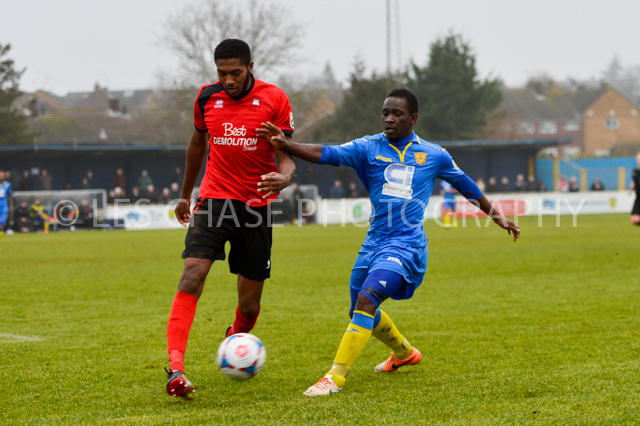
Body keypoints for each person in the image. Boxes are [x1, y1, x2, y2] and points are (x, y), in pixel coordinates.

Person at [257, 88, 520, 396]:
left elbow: (467, 186)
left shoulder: (433, 154)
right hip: (374, 243)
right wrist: (286, 144)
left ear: (413, 118)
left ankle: (334, 378)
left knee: (367, 300)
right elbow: (326, 153)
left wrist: (496, 216)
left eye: (397, 114)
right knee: (358, 309)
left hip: (406, 246)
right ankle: (404, 353)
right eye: (385, 113)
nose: (389, 119)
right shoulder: (367, 147)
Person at [165, 38, 296, 397]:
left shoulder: (274, 99)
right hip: (214, 201)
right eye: (222, 73)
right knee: (193, 274)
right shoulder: (206, 97)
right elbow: (197, 145)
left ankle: (235, 337)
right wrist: (185, 195)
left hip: (255, 208)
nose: (228, 80)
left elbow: (285, 153)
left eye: (235, 73)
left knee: (249, 306)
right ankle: (175, 368)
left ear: (250, 67)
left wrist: (285, 176)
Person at [0, 170, 13, 241]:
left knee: (1, 223)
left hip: (4, 206)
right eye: (0, 176)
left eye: (2, 176)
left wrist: (11, 205)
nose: (1, 177)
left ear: (4, 176)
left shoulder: (8, 185)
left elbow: (10, 196)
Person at [629, 152, 640, 226]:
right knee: (634, 219)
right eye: (638, 159)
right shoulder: (635, 172)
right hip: (638, 199)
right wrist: (630, 189)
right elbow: (634, 182)